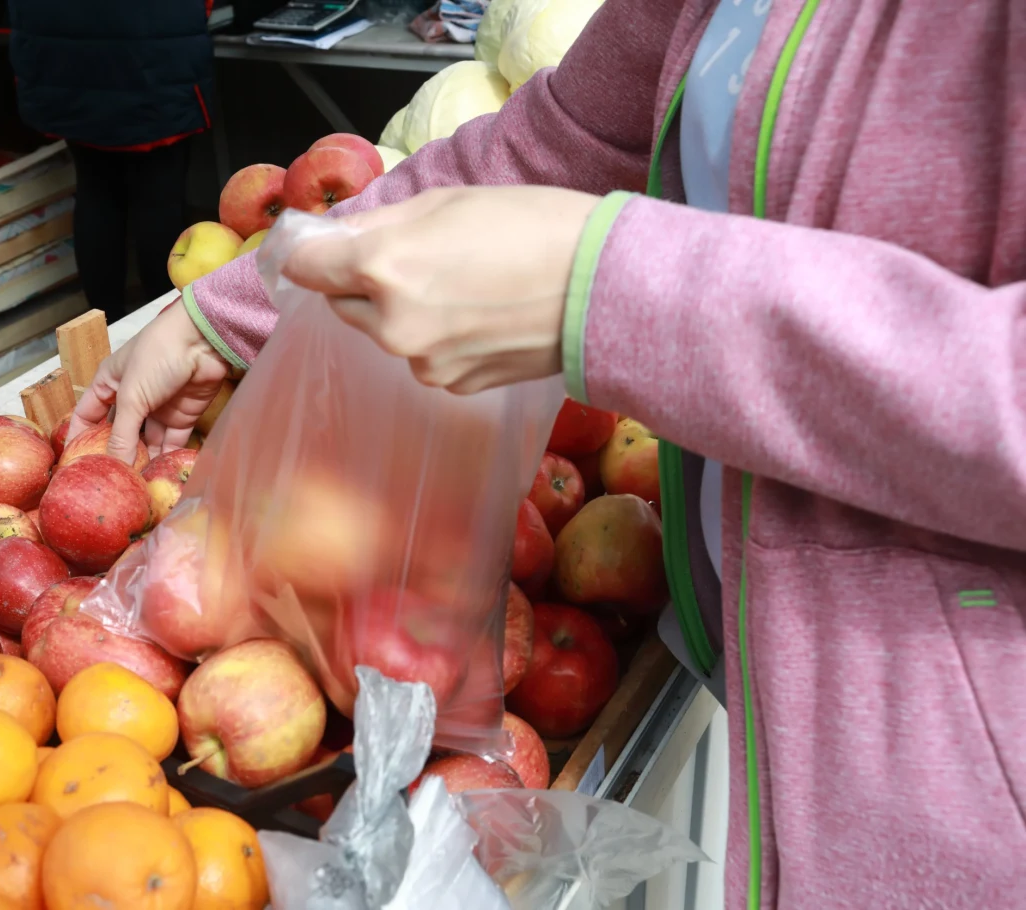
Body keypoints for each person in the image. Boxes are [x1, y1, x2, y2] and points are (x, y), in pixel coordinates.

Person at [70, 1, 1026, 907]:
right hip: (800, 694)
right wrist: (232, 310)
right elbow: (554, 149)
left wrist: (611, 288)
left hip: (965, 788)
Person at [8, 0, 215, 318]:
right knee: (159, 200)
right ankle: (164, 329)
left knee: (95, 190)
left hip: (64, 55)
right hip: (151, 53)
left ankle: (104, 328)